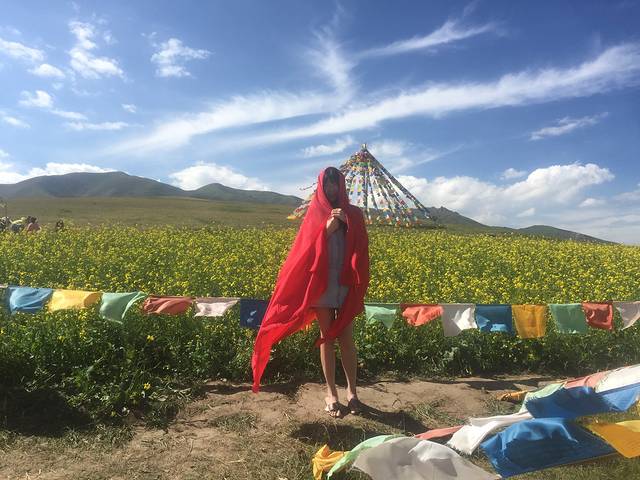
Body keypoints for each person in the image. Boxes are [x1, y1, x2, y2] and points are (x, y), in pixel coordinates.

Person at [251, 167, 370, 418]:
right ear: (320, 186)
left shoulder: (354, 213)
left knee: (346, 338)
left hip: (346, 284)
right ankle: (331, 393)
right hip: (321, 284)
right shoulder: (314, 213)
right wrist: (327, 229)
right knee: (327, 338)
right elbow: (304, 250)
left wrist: (348, 224)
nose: (331, 189)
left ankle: (352, 392)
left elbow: (362, 245)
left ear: (342, 186)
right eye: (327, 184)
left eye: (335, 184)